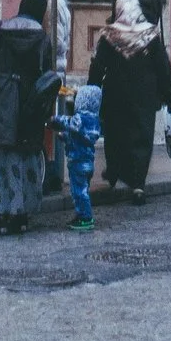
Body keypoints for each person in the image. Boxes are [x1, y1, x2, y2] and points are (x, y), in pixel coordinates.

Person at [0, 0, 57, 236]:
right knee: (26, 152)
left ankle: (1, 214)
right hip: (30, 101)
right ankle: (21, 215)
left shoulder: (0, 29)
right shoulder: (43, 38)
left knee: (3, 154)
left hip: (3, 97)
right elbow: (47, 72)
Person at [87, 0, 171, 201]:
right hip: (144, 94)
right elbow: (163, 67)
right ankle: (138, 184)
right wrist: (169, 94)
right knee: (142, 135)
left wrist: (91, 89)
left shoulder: (110, 36)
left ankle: (114, 172)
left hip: (116, 92)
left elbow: (98, 66)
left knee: (115, 134)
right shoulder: (150, 35)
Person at [55, 82, 104, 233]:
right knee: (84, 189)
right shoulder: (95, 121)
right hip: (88, 162)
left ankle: (85, 217)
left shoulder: (80, 118)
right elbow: (79, 136)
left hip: (78, 162)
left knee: (79, 192)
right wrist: (65, 137)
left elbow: (69, 123)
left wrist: (55, 121)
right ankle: (81, 214)